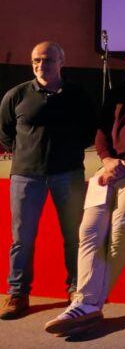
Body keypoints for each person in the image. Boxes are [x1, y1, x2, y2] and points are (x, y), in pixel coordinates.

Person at [44, 40, 125, 335]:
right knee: (88, 231)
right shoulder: (117, 92)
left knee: (119, 233)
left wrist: (124, 163)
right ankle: (85, 302)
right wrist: (106, 159)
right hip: (107, 169)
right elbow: (101, 130)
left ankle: (89, 304)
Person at [0, 42, 95, 320]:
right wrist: (25, 155)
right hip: (25, 176)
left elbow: (90, 130)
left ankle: (76, 290)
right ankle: (17, 292)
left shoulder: (78, 95)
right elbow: (5, 132)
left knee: (74, 236)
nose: (41, 65)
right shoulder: (16, 95)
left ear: (61, 61)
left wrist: (67, 151)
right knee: (22, 239)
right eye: (36, 60)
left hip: (69, 174)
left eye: (48, 60)